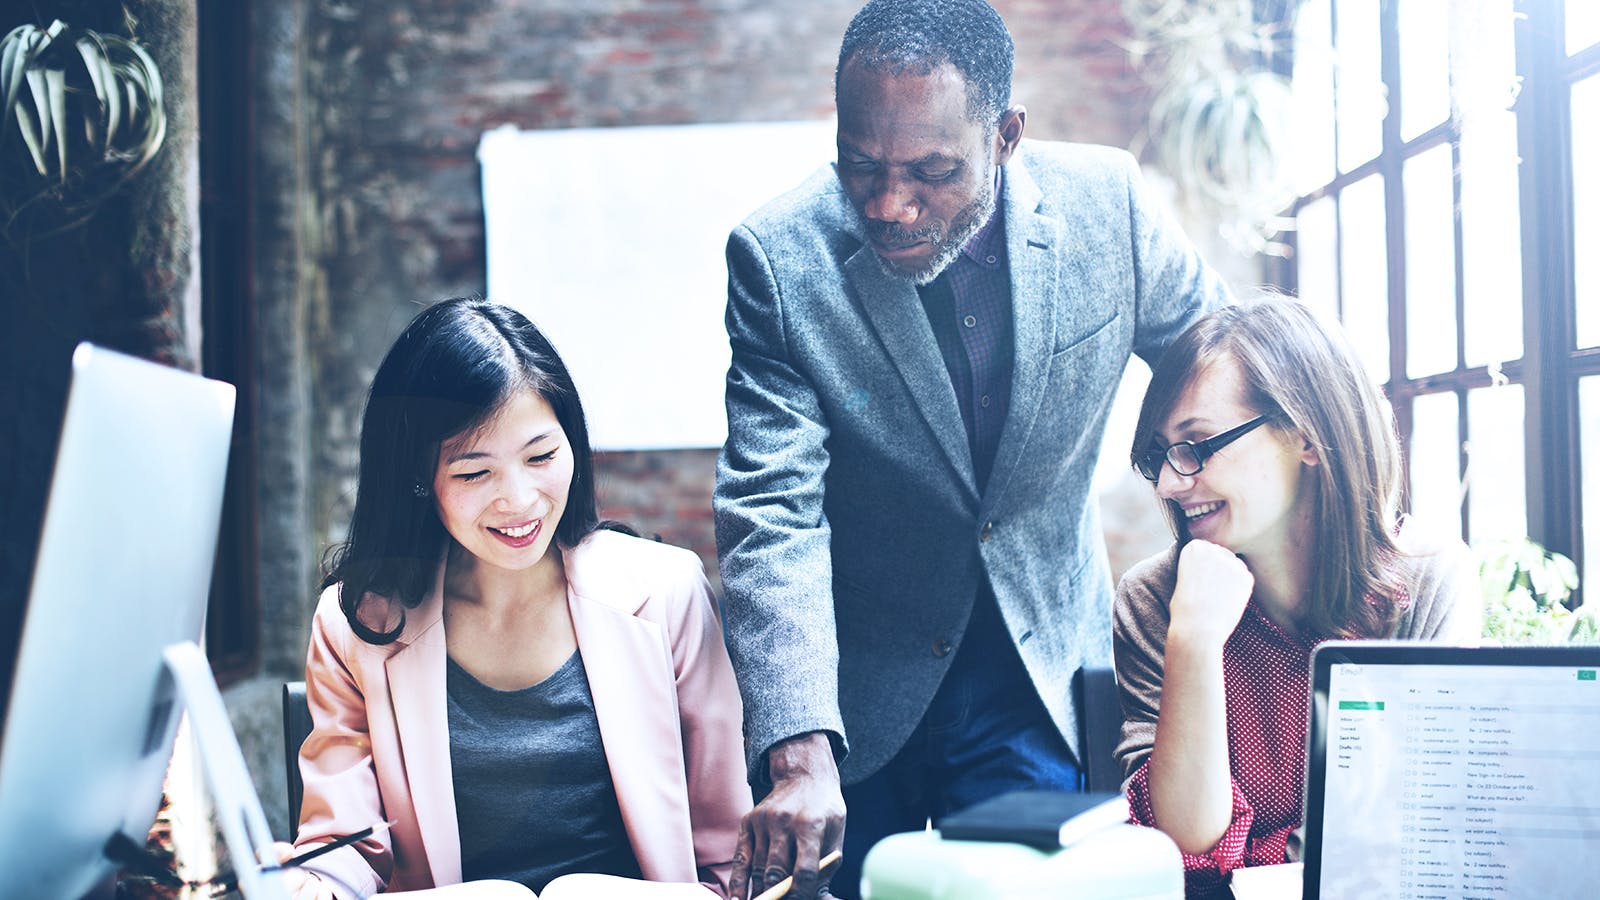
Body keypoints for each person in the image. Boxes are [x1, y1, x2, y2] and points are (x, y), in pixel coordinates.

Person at [713, 1, 1232, 896]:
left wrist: (1266, 523)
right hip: (853, 686)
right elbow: (771, 513)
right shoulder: (777, 259)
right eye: (860, 166)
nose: (889, 204)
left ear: (1005, 136)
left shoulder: (1111, 209)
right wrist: (799, 752)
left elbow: (1227, 368)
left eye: (932, 171)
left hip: (1037, 669)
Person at [280, 297, 750, 900]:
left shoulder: (667, 593)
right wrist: (302, 883)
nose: (520, 500)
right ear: (419, 479)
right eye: (475, 473)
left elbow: (726, 859)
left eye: (542, 456)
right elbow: (342, 851)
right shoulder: (357, 625)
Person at [1111, 297, 1482, 898]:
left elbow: (1413, 828)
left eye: (1197, 444)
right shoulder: (1156, 599)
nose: (1171, 482)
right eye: (1161, 454)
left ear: (1306, 437)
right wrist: (1195, 640)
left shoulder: (1428, 581)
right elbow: (1187, 842)